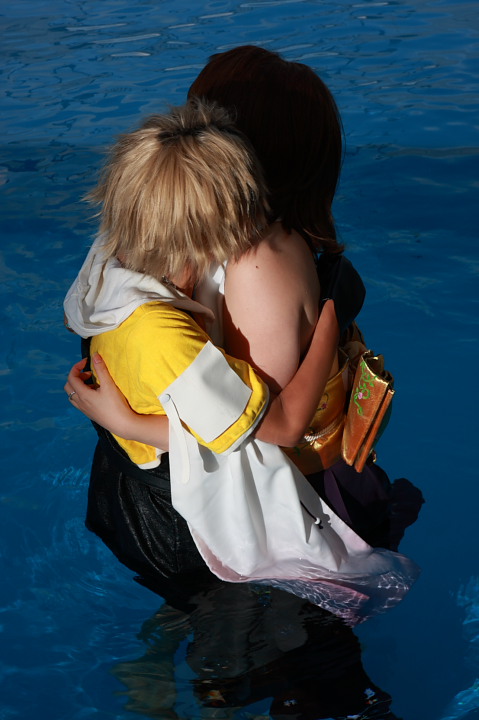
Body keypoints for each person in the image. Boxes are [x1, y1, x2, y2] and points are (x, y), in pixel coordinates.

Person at [66, 46, 423, 561]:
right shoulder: (192, 236)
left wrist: (129, 426)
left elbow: (264, 431)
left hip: (275, 506)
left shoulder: (255, 262)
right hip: (193, 482)